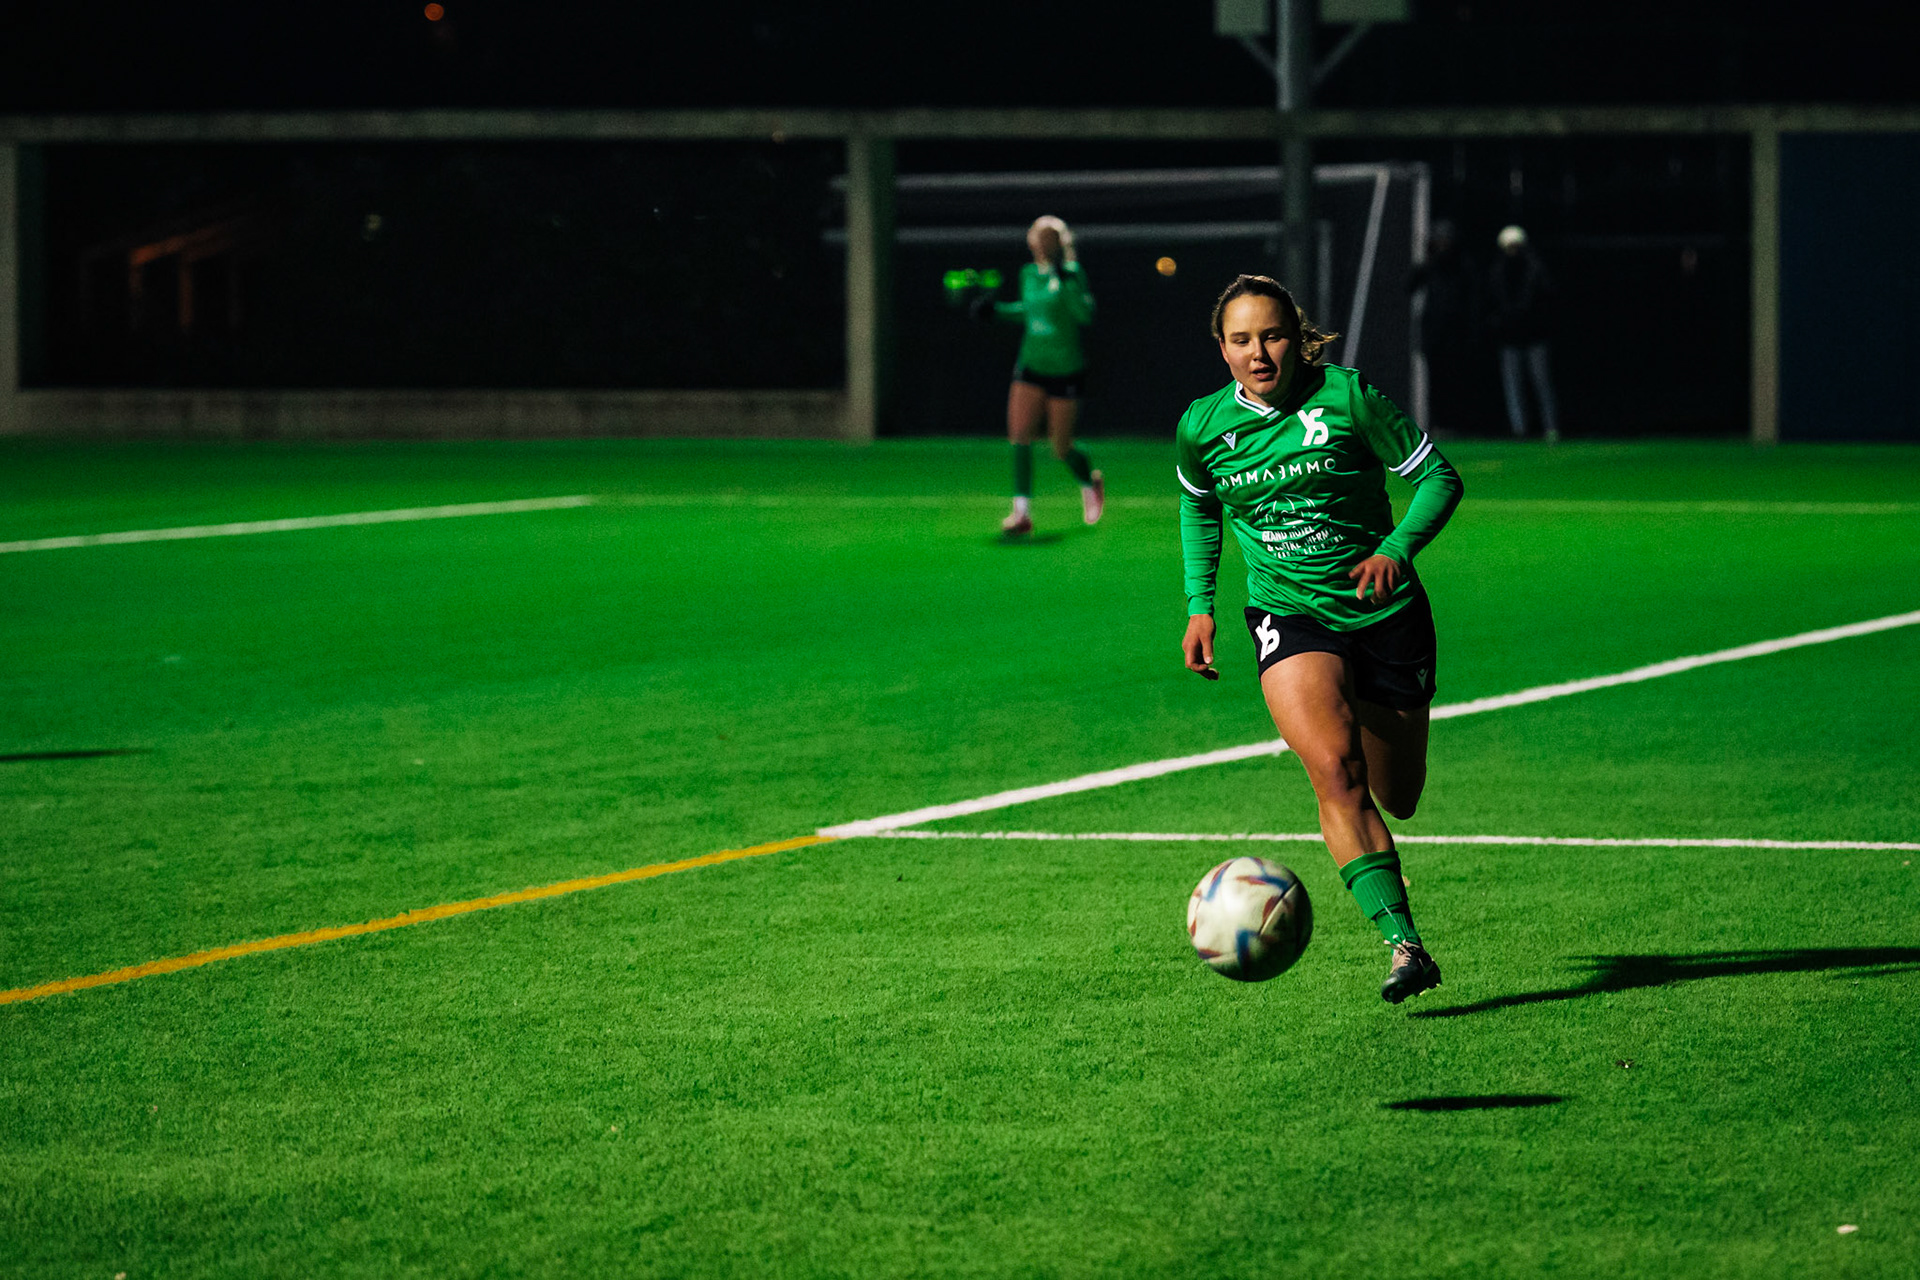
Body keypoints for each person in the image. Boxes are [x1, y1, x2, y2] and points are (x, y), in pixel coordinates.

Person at [1176, 274, 1464, 1004]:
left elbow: (1438, 478)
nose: (1258, 353)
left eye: (1272, 336)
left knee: (1398, 794)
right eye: (1241, 340)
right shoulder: (1203, 426)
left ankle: (1373, 739)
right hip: (1288, 614)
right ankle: (1405, 945)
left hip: (1384, 614)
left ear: (1295, 338)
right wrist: (1200, 605)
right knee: (1335, 772)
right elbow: (1199, 506)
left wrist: (1395, 549)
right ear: (1222, 349)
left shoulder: (1347, 397)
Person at [987, 216, 1103, 535]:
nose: (1044, 244)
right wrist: (997, 311)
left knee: (1061, 448)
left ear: (1061, 243)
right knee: (1020, 436)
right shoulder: (1028, 274)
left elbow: (1084, 315)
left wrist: (1066, 285)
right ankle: (1021, 514)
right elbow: (1030, 311)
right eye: (1040, 238)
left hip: (1065, 368)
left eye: (1051, 238)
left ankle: (1089, 482)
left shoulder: (1072, 274)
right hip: (1031, 365)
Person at [1406, 219, 1483, 435]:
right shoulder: (1431, 266)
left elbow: (1473, 300)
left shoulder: (1463, 266)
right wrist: (1426, 261)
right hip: (1434, 334)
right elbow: (1409, 284)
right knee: (1436, 382)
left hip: (1457, 335)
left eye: (1446, 240)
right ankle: (1439, 423)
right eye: (1439, 240)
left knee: (1456, 380)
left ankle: (1456, 422)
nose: (1443, 245)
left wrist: (1472, 332)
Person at [1489, 224, 1561, 442]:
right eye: (1508, 246)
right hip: (1510, 337)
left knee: (1542, 383)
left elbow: (1546, 297)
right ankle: (1519, 429)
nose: (1512, 251)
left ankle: (1551, 427)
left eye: (1516, 246)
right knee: (1513, 386)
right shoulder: (1498, 271)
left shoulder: (1535, 268)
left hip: (1535, 335)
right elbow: (1494, 301)